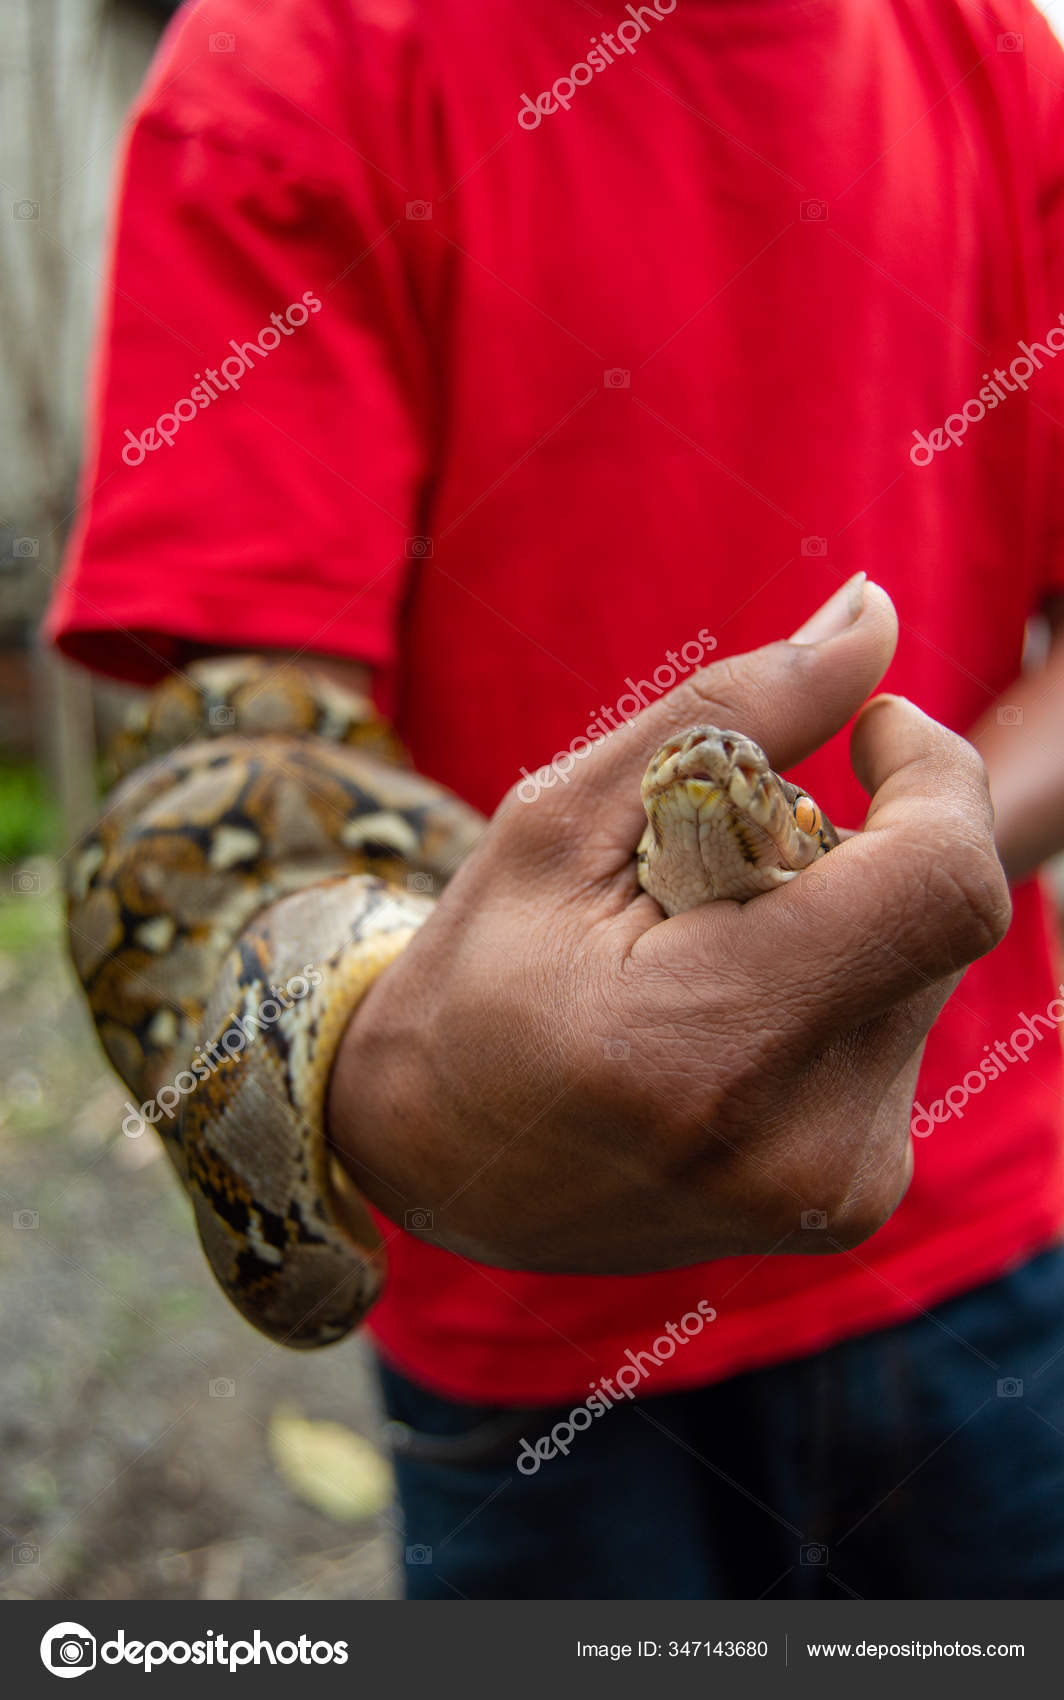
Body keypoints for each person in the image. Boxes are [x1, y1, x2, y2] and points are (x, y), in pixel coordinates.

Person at [49, 0, 1064, 1599]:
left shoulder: (1003, 57)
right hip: (522, 1313)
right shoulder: (291, 58)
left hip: (991, 1219)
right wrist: (404, 1077)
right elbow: (227, 755)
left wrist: (903, 877)